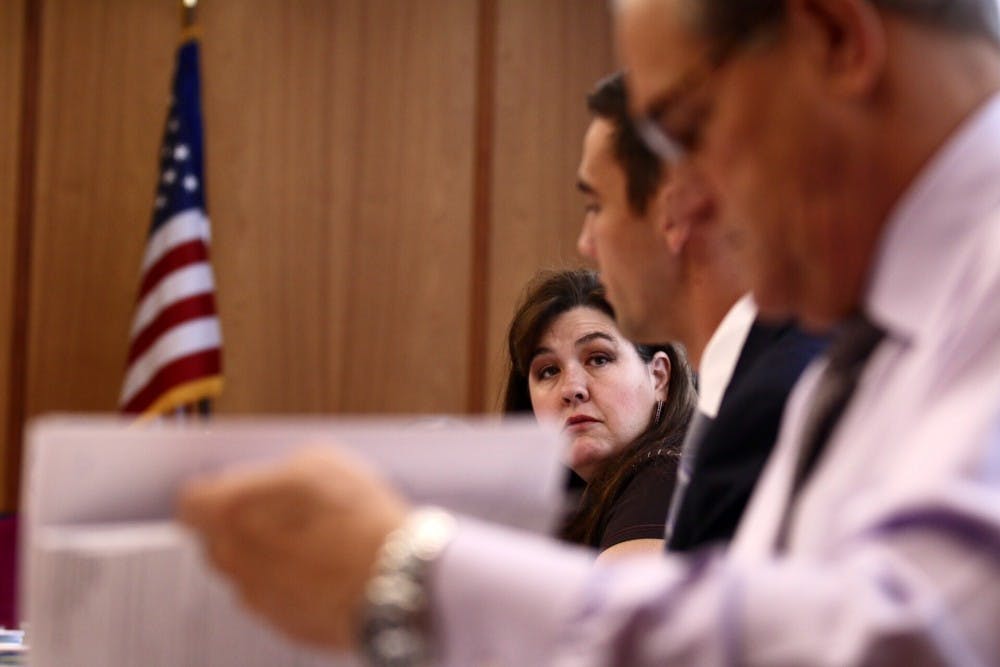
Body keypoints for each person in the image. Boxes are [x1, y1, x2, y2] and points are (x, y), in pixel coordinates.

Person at [179, 0, 1000, 664]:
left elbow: (911, 638)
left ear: (832, 39)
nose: (690, 199)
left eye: (688, 126)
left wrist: (411, 575)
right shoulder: (863, 351)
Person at [577, 71, 825, 552]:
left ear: (674, 213)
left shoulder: (778, 402)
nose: (585, 243)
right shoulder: (742, 387)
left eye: (596, 205)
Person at [501, 268, 694, 555]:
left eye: (599, 359)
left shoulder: (664, 477)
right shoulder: (574, 504)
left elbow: (624, 601)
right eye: (549, 370)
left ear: (659, 377)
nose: (572, 389)